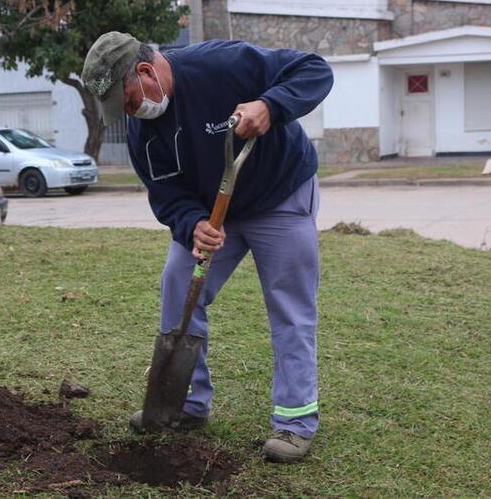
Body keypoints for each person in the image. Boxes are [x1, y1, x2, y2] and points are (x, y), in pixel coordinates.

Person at [82, 32, 333, 463]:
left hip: (279, 195)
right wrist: (192, 224)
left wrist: (270, 105)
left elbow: (314, 70)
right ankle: (187, 404)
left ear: (145, 72)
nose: (130, 114)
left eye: (127, 101)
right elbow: (166, 195)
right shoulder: (143, 133)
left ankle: (294, 423)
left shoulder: (223, 64)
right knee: (179, 283)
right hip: (215, 215)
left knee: (289, 305)